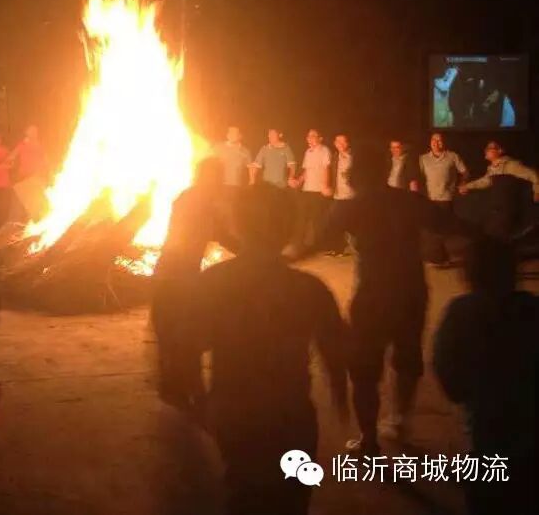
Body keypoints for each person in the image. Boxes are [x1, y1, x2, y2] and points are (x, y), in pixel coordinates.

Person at [188, 184, 348, 515]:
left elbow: (187, 345)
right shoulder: (309, 289)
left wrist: (201, 400)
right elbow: (336, 352)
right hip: (289, 412)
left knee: (243, 490)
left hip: (235, 410)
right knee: (292, 497)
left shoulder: (212, 283)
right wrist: (341, 399)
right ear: (288, 228)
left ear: (236, 225)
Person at [320, 145, 442, 454]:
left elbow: (317, 241)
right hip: (411, 292)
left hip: (373, 296)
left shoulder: (349, 208)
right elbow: (451, 223)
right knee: (407, 359)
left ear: (356, 173)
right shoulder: (409, 201)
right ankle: (399, 423)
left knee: (364, 369)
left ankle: (369, 439)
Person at [434, 238, 538, 515]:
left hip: (487, 428)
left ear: (469, 273)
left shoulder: (461, 312)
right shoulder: (532, 308)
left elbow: (447, 369)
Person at [153, 158, 238, 413]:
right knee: (186, 335)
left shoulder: (188, 197)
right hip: (178, 275)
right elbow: (222, 234)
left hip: (169, 274)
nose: (222, 182)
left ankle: (174, 388)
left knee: (171, 335)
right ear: (209, 177)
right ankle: (191, 392)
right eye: (219, 176)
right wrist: (254, 252)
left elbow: (219, 233)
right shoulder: (200, 201)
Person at [419, 132, 467, 266]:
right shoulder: (423, 159)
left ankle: (441, 257)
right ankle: (438, 258)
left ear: (444, 142)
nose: (436, 143)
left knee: (442, 228)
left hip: (446, 197)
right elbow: (418, 176)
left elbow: (464, 172)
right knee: (432, 228)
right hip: (430, 198)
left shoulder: (453, 156)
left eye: (439, 140)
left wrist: (462, 183)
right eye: (433, 140)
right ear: (430, 142)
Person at [287, 129, 332, 255]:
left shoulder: (324, 151)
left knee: (317, 219)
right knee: (302, 217)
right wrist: (298, 181)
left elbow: (326, 169)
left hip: (318, 190)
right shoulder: (308, 152)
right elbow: (306, 171)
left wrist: (325, 185)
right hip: (307, 189)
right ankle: (298, 243)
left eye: (313, 136)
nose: (309, 138)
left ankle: (320, 245)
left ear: (320, 138)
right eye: (308, 136)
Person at [459, 140, 539, 202]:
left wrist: (537, 192)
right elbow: (485, 181)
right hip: (499, 205)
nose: (486, 150)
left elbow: (533, 174)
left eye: (490, 148)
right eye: (486, 148)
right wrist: (467, 186)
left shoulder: (510, 165)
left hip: (510, 206)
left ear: (500, 151)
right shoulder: (492, 168)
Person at [325, 134, 355, 257]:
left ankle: (357, 247)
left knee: (352, 223)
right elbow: (330, 171)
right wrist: (328, 186)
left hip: (352, 195)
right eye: (338, 141)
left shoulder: (353, 157)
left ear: (348, 143)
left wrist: (350, 175)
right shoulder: (335, 157)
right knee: (334, 221)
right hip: (338, 195)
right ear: (335, 143)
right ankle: (337, 249)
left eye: (343, 141)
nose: (340, 144)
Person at [214, 126, 252, 191]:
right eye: (230, 133)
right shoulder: (218, 148)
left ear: (240, 136)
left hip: (237, 188)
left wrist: (251, 182)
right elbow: (209, 166)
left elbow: (250, 169)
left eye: (235, 133)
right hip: (220, 187)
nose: (232, 135)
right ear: (227, 135)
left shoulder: (245, 152)